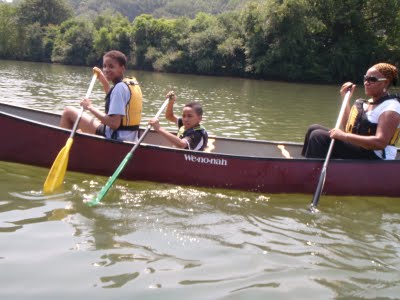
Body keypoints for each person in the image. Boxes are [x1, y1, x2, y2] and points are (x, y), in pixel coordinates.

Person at [302, 62, 400, 160]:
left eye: (372, 79)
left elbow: (380, 143)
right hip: (361, 149)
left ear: (386, 82)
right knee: (313, 129)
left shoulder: (391, 108)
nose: (366, 82)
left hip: (376, 157)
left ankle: (312, 171)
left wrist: (344, 136)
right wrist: (345, 98)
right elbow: (348, 129)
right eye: (366, 78)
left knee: (318, 136)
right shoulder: (367, 103)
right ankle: (304, 166)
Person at [59, 50, 142, 142]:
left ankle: (63, 147)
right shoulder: (129, 84)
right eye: (104, 66)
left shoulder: (119, 88)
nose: (106, 70)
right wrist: (103, 79)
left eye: (111, 66)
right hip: (130, 138)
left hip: (116, 137)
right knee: (89, 124)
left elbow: (114, 123)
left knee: (68, 112)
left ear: (122, 68)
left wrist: (90, 107)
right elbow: (113, 97)